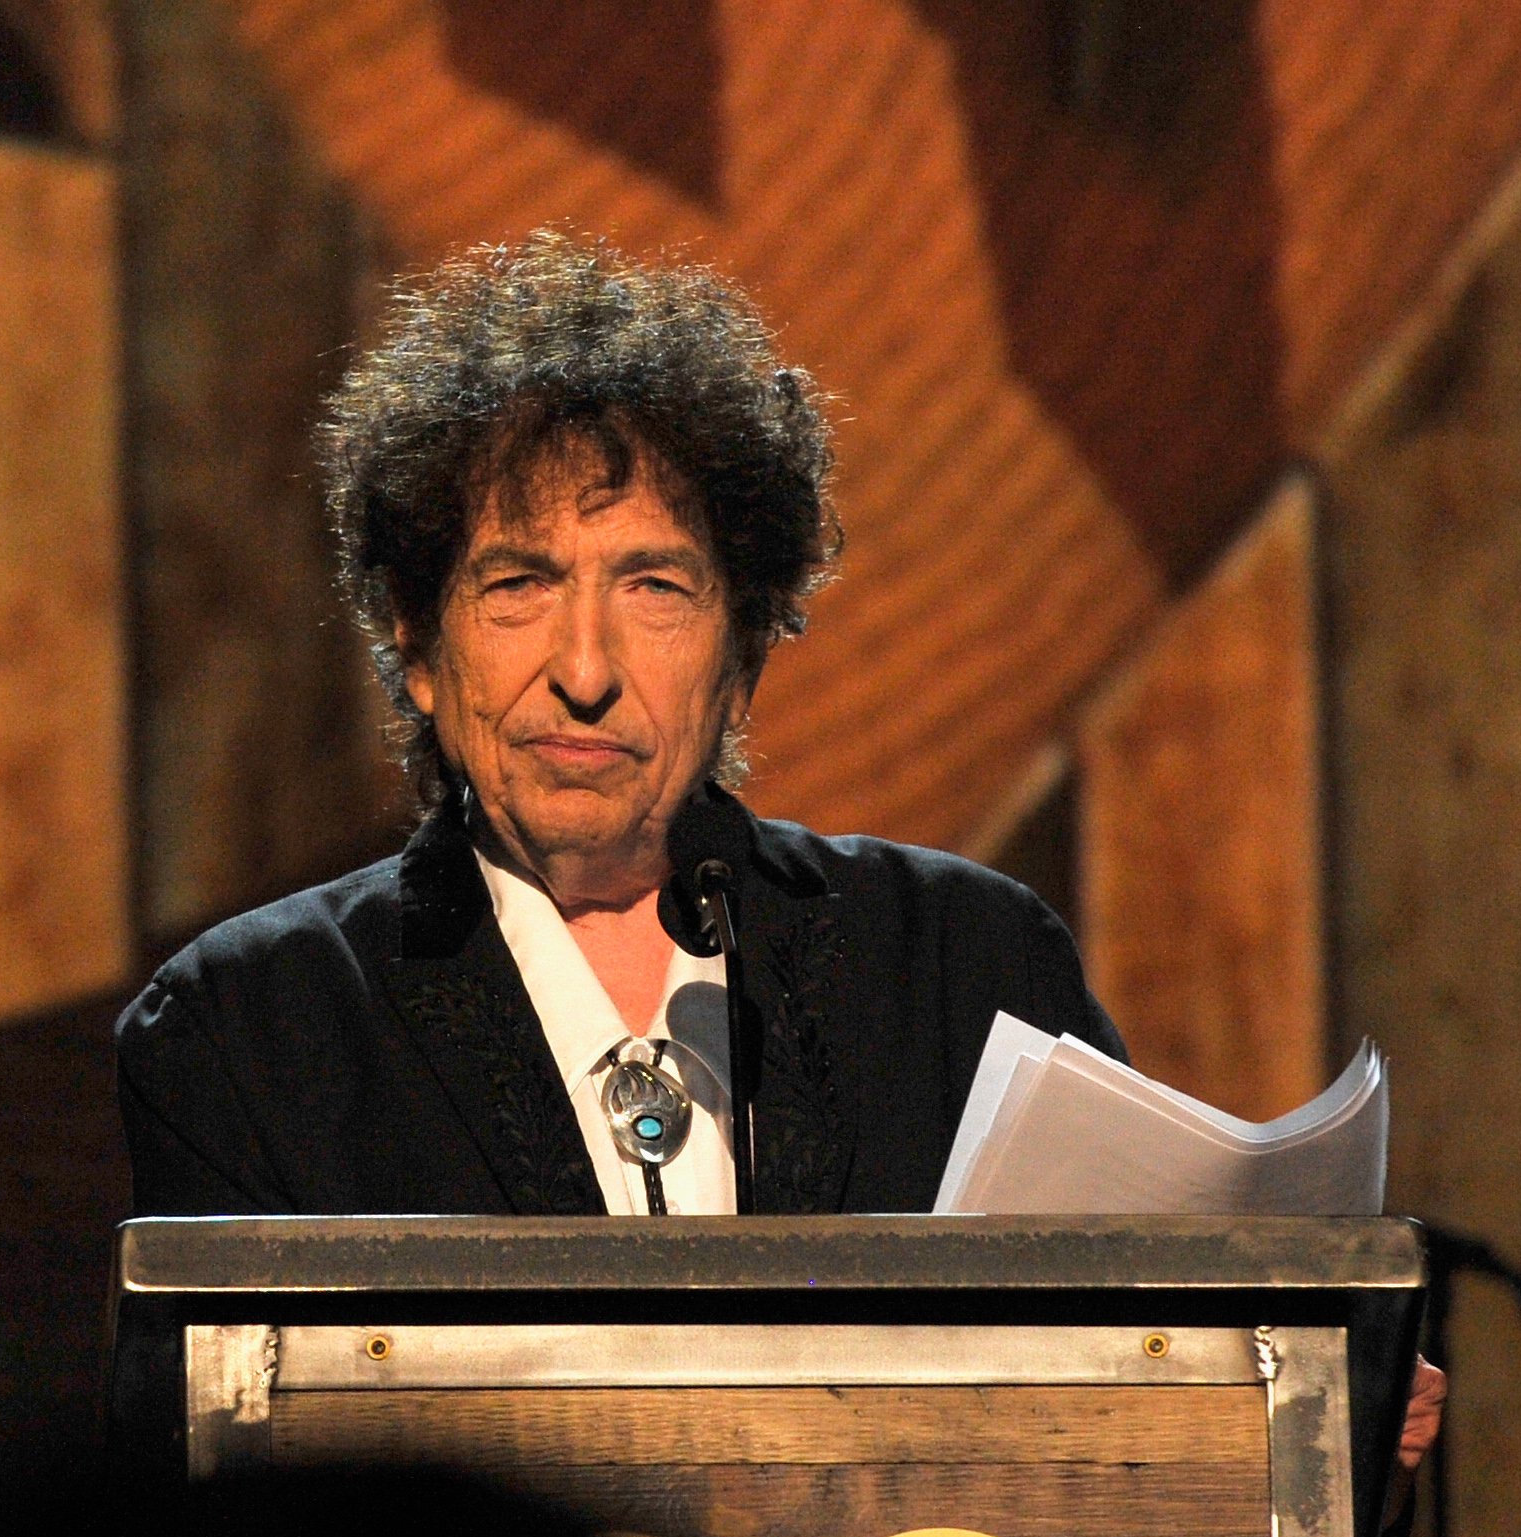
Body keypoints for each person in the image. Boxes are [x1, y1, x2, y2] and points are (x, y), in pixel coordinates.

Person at [115, 228, 1121, 1220]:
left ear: (743, 659)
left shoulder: (966, 974)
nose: (585, 671)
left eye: (654, 588)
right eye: (519, 584)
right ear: (418, 650)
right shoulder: (255, 1031)